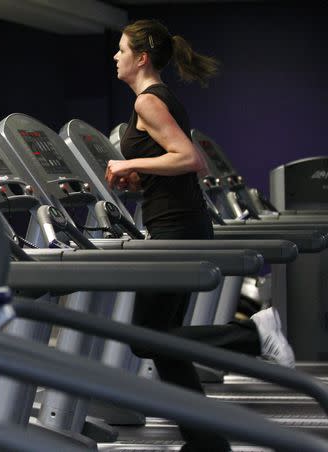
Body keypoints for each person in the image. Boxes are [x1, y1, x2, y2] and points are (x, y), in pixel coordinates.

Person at [105, 19, 294, 451]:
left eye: (120, 50)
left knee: (145, 336)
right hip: (176, 220)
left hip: (175, 228)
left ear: (141, 57)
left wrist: (127, 165)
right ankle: (205, 441)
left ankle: (253, 335)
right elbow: (171, 163)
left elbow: (191, 160)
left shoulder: (148, 104)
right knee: (164, 339)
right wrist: (138, 180)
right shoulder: (157, 100)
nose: (115, 57)